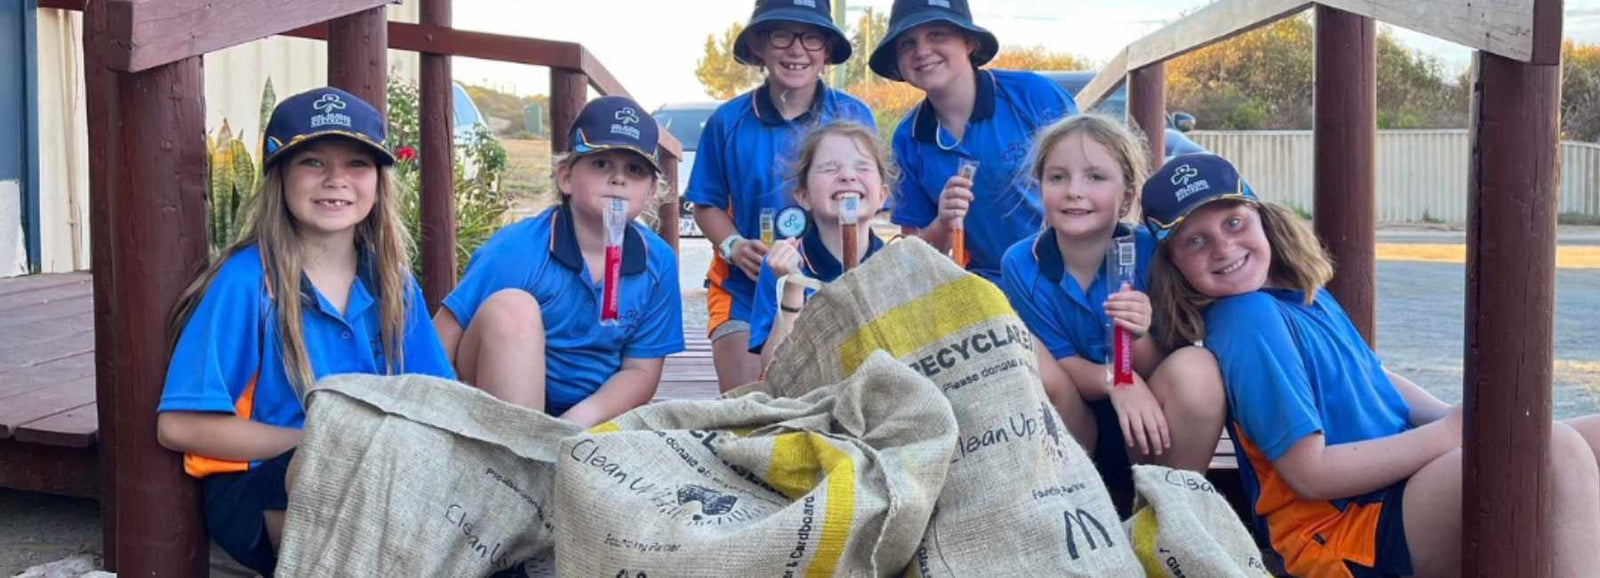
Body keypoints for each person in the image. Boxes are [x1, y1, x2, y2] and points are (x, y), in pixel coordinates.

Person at [1142, 153, 1600, 577]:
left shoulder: (1300, 295)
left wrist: (1446, 415)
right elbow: (1309, 473)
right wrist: (1447, 434)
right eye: (1196, 240)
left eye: (1234, 222)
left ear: (1265, 219)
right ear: (1174, 265)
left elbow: (1370, 375)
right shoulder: (1248, 319)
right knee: (1551, 450)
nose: (1223, 247)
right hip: (1340, 533)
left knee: (1589, 437)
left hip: (1392, 493)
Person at [156, 87, 455, 576]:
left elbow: (437, 399)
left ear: (378, 182)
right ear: (280, 175)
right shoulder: (246, 281)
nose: (336, 179)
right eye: (313, 162)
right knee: (332, 474)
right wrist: (320, 440)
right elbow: (179, 426)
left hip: (373, 476)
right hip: (262, 485)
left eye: (357, 164)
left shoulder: (393, 282)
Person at [998, 115, 1225, 507]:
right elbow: (1059, 366)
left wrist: (1138, 339)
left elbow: (1168, 361)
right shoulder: (1021, 263)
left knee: (1198, 367)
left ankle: (1172, 513)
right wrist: (1116, 380)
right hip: (1075, 427)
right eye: (1057, 177)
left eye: (1095, 177)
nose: (1074, 191)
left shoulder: (1152, 253)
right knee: (1023, 348)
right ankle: (1076, 509)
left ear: (1127, 195)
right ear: (1040, 188)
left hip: (1153, 425)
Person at [433, 95, 684, 427]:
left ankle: (547, 447)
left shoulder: (658, 261)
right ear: (566, 177)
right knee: (513, 309)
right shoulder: (516, 250)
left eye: (635, 170)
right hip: (498, 399)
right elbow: (442, 338)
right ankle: (519, 450)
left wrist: (574, 424)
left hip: (591, 414)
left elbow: (641, 370)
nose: (618, 179)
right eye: (601, 164)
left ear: (652, 191)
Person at [688, 0, 876, 392]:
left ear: (826, 51)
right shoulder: (728, 121)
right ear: (758, 45)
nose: (796, 49)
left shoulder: (854, 114)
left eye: (811, 37)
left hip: (833, 279)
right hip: (746, 282)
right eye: (781, 35)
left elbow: (867, 200)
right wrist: (734, 245)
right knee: (748, 403)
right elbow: (705, 204)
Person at [869, 0, 1076, 283]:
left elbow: (1092, 177)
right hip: (987, 287)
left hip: (1065, 273)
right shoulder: (908, 138)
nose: (922, 51)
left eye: (937, 34)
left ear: (969, 42)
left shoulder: (1031, 94)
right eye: (907, 44)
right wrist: (942, 221)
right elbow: (915, 253)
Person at [748, 122, 892, 368]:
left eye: (862, 167)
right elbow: (774, 371)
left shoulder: (898, 263)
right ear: (803, 196)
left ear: (882, 196)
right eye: (830, 168)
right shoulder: (782, 264)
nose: (848, 175)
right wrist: (792, 289)